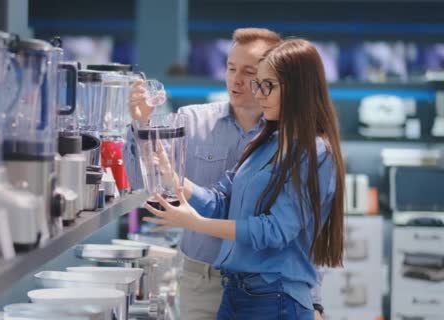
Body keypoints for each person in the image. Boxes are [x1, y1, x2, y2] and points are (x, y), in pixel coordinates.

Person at [123, 29, 325, 319]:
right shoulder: (191, 121)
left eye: (249, 72)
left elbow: (302, 231)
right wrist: (141, 125)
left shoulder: (295, 142)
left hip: (267, 288)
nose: (236, 80)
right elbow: (143, 182)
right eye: (231, 68)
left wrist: (313, 300)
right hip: (202, 280)